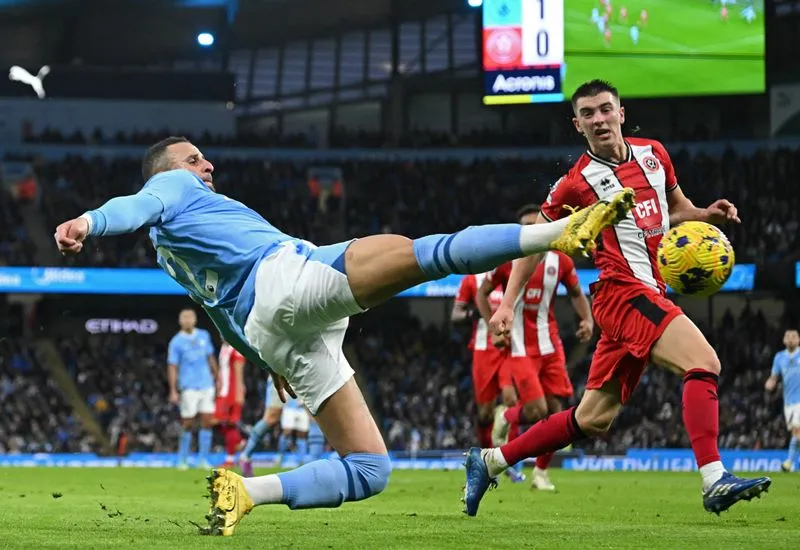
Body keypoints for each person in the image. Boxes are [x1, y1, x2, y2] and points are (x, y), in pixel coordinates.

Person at [54, 135, 635, 536]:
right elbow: (132, 204)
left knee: (369, 469)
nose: (207, 167)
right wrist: (88, 222)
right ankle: (559, 232)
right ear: (171, 171)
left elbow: (219, 314)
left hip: (273, 330)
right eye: (194, 159)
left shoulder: (168, 251)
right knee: (427, 253)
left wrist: (265, 360)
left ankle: (248, 493)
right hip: (284, 280)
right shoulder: (173, 191)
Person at [462, 79, 771, 517]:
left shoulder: (654, 154)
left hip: (647, 293)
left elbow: (673, 208)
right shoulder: (573, 184)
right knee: (704, 362)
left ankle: (490, 460)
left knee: (591, 419)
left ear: (621, 113)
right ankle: (714, 478)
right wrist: (508, 304)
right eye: (588, 114)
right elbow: (534, 243)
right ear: (577, 125)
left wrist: (705, 214)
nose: (599, 119)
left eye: (605, 109)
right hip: (621, 293)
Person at [475, 204, 593, 491]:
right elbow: (482, 293)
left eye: (538, 224)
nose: (534, 229)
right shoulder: (509, 261)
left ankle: (540, 474)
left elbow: (577, 293)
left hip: (550, 345)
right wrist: (493, 326)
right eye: (527, 226)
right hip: (519, 348)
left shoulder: (560, 261)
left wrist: (587, 318)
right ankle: (509, 416)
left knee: (558, 412)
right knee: (539, 411)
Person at [452, 273, 525, 483]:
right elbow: (455, 315)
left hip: (509, 348)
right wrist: (475, 314)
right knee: (485, 415)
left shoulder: (511, 272)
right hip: (483, 351)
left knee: (512, 401)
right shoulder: (471, 280)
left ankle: (512, 463)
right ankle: (487, 460)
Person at [167, 308, 218, 470]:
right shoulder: (176, 342)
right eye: (185, 318)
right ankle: (182, 458)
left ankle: (203, 459)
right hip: (188, 386)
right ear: (180, 321)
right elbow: (172, 366)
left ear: (195, 320)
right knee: (188, 422)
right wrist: (173, 390)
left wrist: (218, 378)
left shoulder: (204, 336)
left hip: (206, 384)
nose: (188, 320)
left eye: (191, 317)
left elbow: (210, 358)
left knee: (207, 421)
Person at [765, 329, 800, 472]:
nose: (791, 339)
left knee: (797, 431)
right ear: (784, 340)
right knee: (795, 434)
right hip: (789, 403)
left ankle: (788, 462)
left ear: (798, 340)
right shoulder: (779, 357)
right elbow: (774, 376)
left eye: (794, 337)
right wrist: (770, 382)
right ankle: (790, 463)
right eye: (788, 337)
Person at [239, 375, 284, 477]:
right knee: (271, 418)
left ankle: (314, 460)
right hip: (283, 374)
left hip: (303, 372)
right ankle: (246, 455)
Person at [214, 339, 246, 469]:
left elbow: (239, 371)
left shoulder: (236, 348)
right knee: (221, 423)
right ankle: (240, 443)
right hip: (223, 392)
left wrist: (239, 393)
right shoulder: (224, 347)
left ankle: (230, 459)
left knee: (229, 424)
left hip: (232, 392)